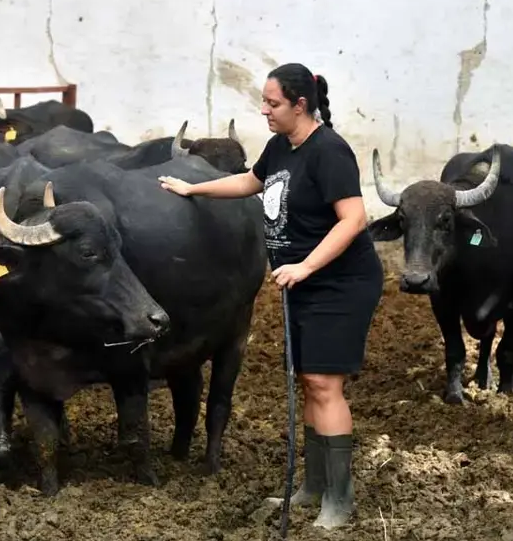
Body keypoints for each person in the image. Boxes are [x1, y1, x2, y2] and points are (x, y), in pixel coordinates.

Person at [158, 62, 383, 529]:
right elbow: (250, 182)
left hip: (338, 283)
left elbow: (353, 220)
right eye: (264, 101)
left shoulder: (330, 152)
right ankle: (314, 486)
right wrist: (193, 186)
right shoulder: (283, 146)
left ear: (301, 104)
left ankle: (339, 501)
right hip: (299, 282)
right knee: (308, 380)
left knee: (325, 383)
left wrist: (304, 265)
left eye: (272, 103)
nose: (264, 110)